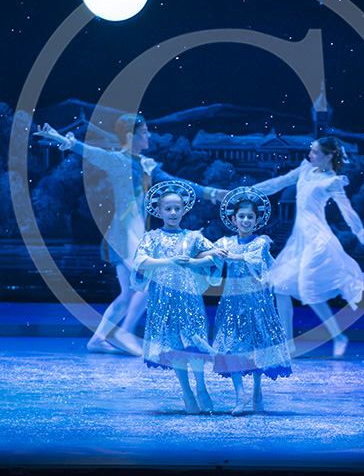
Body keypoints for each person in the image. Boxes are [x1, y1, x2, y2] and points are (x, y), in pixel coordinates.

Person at [35, 116, 225, 356]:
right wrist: (62, 139)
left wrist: (212, 193)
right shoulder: (119, 161)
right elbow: (92, 153)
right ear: (129, 135)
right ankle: (125, 331)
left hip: (134, 234)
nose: (148, 136)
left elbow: (176, 182)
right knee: (154, 280)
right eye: (143, 132)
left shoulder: (146, 165)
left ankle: (97, 339)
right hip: (123, 234)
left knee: (128, 294)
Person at [254, 136, 364, 359]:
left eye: (315, 152)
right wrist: (248, 191)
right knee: (281, 287)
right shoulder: (305, 170)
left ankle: (338, 337)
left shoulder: (332, 181)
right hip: (299, 241)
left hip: (318, 241)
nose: (310, 155)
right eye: (311, 150)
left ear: (328, 156)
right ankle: (288, 345)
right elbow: (278, 183)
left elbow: (348, 212)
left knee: (310, 290)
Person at [130, 181, 226, 414]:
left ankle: (201, 387)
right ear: (159, 211)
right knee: (175, 347)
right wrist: (169, 261)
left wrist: (196, 261)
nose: (173, 213)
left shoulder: (192, 237)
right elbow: (141, 262)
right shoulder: (152, 238)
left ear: (184, 210)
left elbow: (214, 257)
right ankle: (187, 392)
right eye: (168, 209)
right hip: (163, 299)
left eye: (177, 208)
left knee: (194, 343)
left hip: (189, 297)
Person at [210, 187, 292, 416]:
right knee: (231, 347)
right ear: (233, 219)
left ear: (257, 220)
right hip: (231, 304)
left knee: (257, 347)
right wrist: (201, 255)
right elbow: (209, 254)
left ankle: (257, 392)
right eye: (241, 216)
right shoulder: (225, 242)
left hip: (256, 304)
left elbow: (254, 259)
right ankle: (240, 395)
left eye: (250, 217)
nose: (245, 220)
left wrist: (229, 255)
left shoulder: (261, 242)